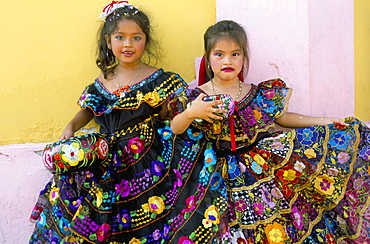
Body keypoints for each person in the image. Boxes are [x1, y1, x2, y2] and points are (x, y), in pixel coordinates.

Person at [29, 2, 227, 243]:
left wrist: (192, 111)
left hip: (146, 162)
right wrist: (71, 127)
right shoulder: (104, 78)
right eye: (120, 37)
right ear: (108, 40)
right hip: (102, 160)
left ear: (146, 40)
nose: (128, 44)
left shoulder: (160, 80)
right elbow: (89, 109)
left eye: (136, 37)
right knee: (101, 216)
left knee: (145, 218)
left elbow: (173, 114)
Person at [170, 20, 370, 243]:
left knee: (272, 227)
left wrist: (325, 121)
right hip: (217, 173)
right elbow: (176, 128)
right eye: (219, 54)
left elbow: (282, 118)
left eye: (235, 54)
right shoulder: (197, 96)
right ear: (207, 59)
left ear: (244, 58)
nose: (227, 60)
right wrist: (190, 113)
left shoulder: (258, 93)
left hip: (261, 167)